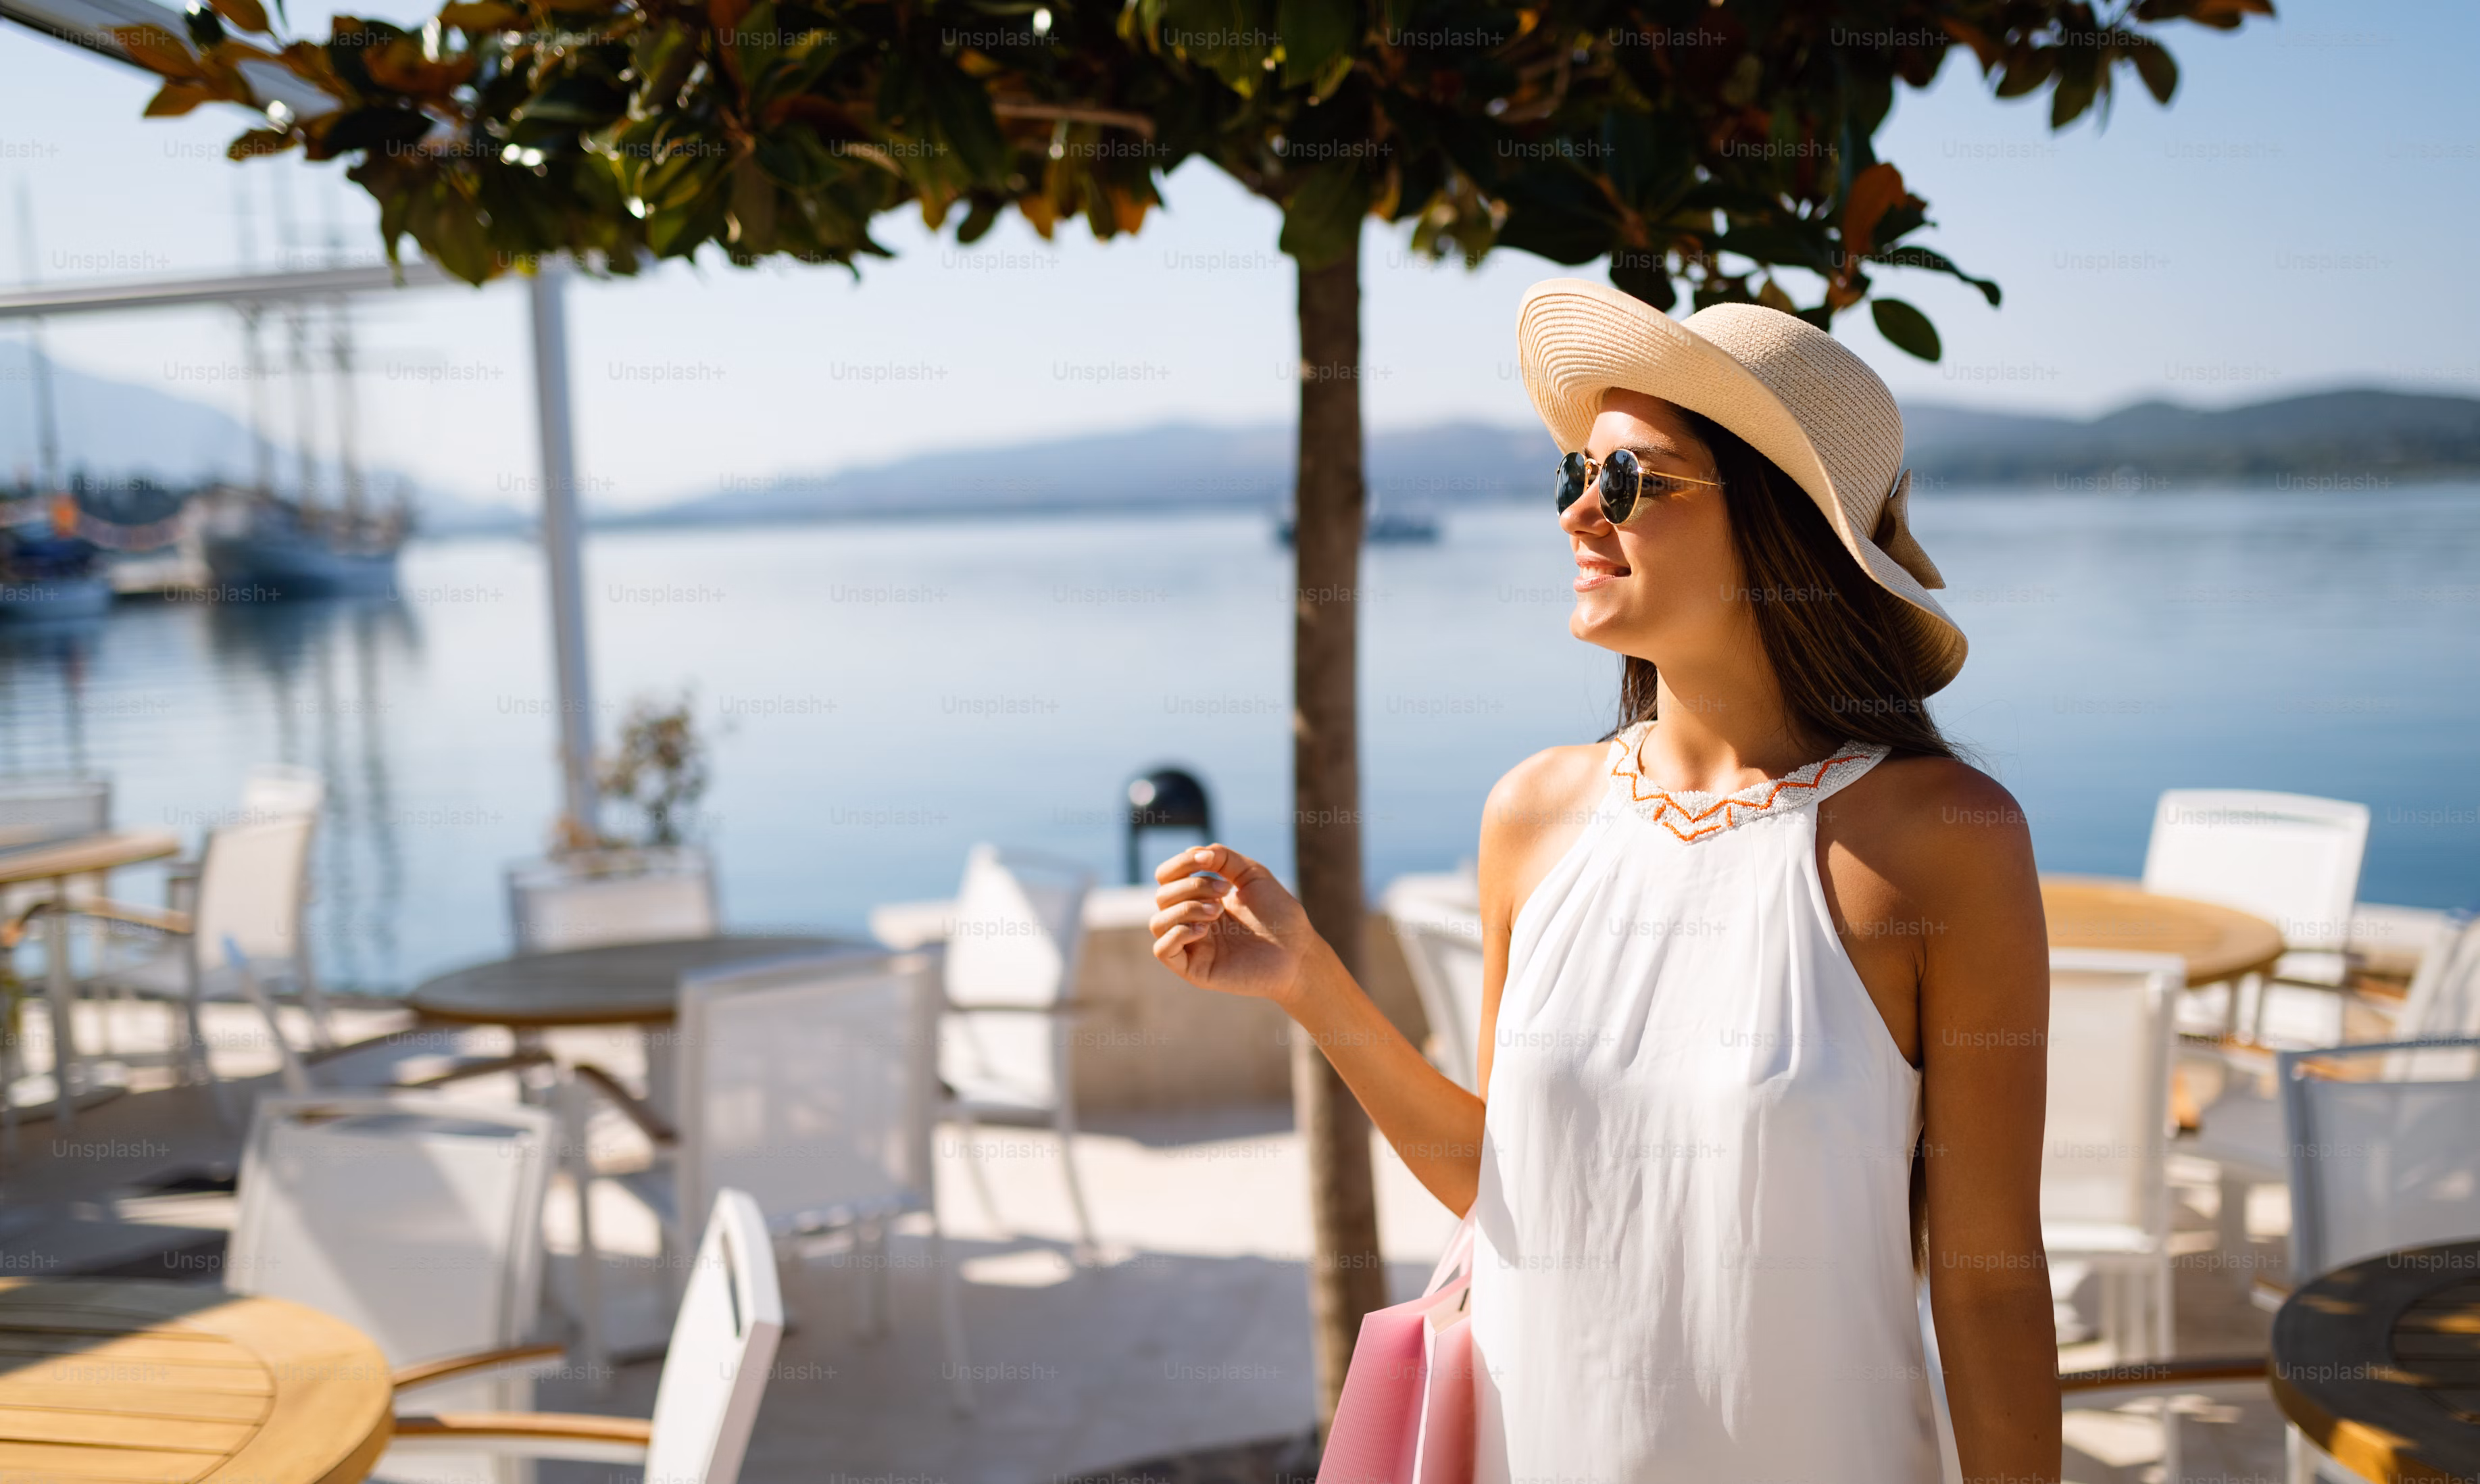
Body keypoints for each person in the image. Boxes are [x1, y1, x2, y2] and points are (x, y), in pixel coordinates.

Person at [1149, 280, 2057, 1483]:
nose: (1579, 512)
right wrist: (1311, 985)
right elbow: (1503, 1185)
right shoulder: (1531, 814)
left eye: (1628, 482)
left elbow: (1990, 1283)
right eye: (1575, 474)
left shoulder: (1943, 839)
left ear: (1780, 525)